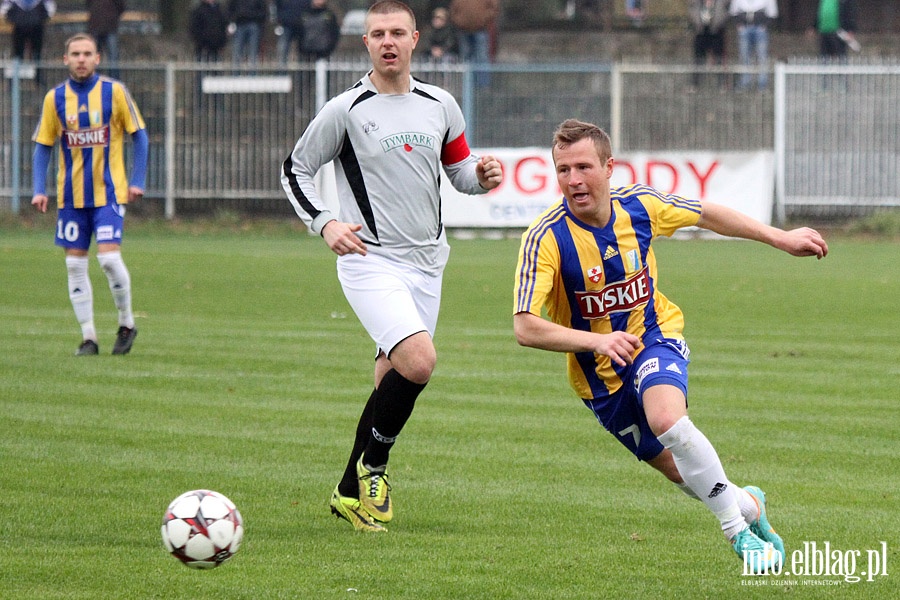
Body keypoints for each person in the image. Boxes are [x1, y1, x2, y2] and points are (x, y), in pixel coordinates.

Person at [513, 119, 828, 573]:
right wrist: (597, 342)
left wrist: (779, 237)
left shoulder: (640, 206)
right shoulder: (545, 238)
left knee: (667, 419)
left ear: (608, 167)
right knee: (684, 472)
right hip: (598, 380)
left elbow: (708, 213)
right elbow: (526, 326)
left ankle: (737, 535)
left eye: (583, 166)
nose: (573, 180)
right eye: (563, 169)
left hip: (654, 337)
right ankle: (750, 506)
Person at [280, 0, 503, 533]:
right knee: (420, 361)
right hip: (370, 260)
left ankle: (347, 492)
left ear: (414, 38)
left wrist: (484, 175)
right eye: (377, 33)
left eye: (397, 32)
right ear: (366, 43)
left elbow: (459, 171)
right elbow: (296, 170)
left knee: (392, 375)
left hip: (429, 263)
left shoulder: (440, 104)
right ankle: (374, 467)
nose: (387, 41)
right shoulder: (346, 109)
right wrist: (326, 223)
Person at [31, 33, 148, 356]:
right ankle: (89, 337)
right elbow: (43, 145)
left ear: (98, 58)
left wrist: (136, 180)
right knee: (74, 267)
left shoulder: (115, 92)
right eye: (75, 54)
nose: (81, 59)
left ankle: (126, 323)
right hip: (70, 198)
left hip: (109, 193)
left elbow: (140, 136)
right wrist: (39, 189)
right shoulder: (54, 99)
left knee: (109, 259)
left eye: (87, 53)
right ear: (65, 59)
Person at [729, 0, 777, 90]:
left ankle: (762, 84)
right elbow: (733, 12)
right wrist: (739, 26)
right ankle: (745, 82)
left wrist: (765, 26)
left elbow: (772, 13)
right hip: (744, 29)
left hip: (760, 29)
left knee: (762, 57)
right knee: (744, 56)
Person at [450, 0, 499, 87]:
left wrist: (484, 19)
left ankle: (483, 86)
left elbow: (494, 8)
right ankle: (467, 85)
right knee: (466, 58)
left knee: (482, 57)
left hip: (481, 29)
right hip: (463, 30)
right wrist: (459, 21)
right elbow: (453, 9)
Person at [1, 0, 56, 77]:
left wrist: (41, 18)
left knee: (37, 53)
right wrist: (13, 19)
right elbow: (4, 9)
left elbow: (50, 9)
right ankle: (15, 80)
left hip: (37, 27)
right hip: (19, 27)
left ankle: (39, 77)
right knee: (18, 54)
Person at [689, 0, 729, 88]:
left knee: (719, 58)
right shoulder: (697, 2)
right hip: (701, 32)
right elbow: (692, 11)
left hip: (716, 32)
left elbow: (725, 12)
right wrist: (698, 23)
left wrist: (716, 24)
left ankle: (721, 84)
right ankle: (695, 84)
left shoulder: (720, 2)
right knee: (698, 59)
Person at [86, 0, 124, 78]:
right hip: (98, 26)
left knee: (112, 58)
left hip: (107, 27)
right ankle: (94, 81)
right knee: (95, 57)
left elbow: (121, 5)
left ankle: (113, 82)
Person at [228, 0, 267, 66]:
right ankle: (235, 74)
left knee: (253, 52)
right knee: (237, 51)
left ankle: (252, 74)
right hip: (239, 24)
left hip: (254, 24)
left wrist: (254, 16)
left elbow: (263, 10)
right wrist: (234, 18)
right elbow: (230, 9)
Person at [274, 0, 309, 65]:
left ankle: (301, 73)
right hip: (285, 24)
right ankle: (281, 73)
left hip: (303, 24)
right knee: (283, 50)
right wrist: (279, 19)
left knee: (303, 52)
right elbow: (276, 5)